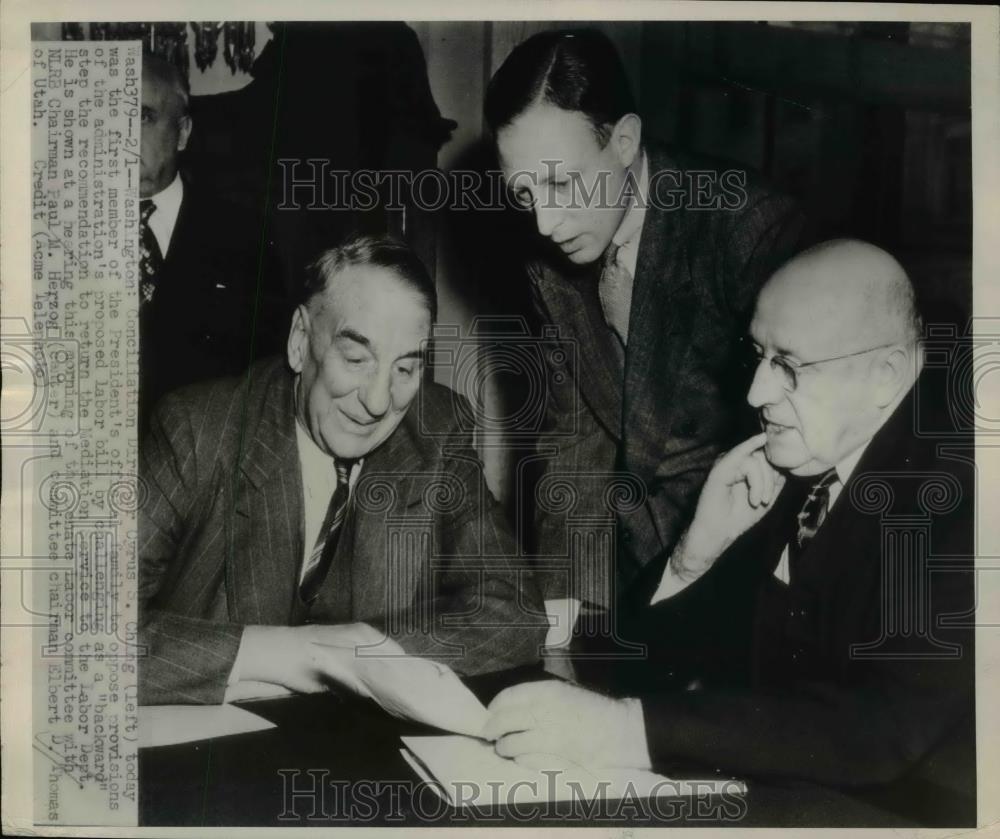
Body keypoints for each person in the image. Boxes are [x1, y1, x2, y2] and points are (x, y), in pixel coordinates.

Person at [481, 241, 974, 804]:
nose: (757, 392)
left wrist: (628, 731)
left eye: (788, 366)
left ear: (886, 375)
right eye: (759, 355)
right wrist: (696, 553)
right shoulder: (802, 463)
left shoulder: (962, 496)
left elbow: (883, 727)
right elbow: (631, 667)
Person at [484, 29, 805, 649]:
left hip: (746, 574)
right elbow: (574, 438)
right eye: (524, 194)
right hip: (630, 581)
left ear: (624, 141)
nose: (545, 223)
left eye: (560, 184)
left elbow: (798, 445)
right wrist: (562, 626)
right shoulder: (546, 260)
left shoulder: (746, 227)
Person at [139, 235, 546, 705]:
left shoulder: (437, 430)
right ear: (299, 341)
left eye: (405, 370)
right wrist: (289, 654)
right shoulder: (197, 430)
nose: (377, 402)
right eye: (356, 359)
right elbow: (81, 635)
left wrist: (350, 653)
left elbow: (515, 613)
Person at [138, 53, 284, 431]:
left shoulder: (244, 236)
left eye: (143, 117)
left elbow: (268, 375)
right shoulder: (62, 232)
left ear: (183, 132)